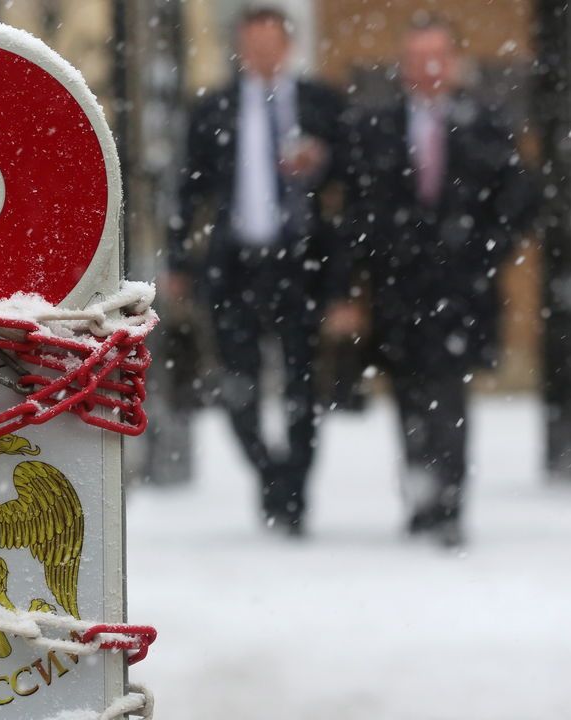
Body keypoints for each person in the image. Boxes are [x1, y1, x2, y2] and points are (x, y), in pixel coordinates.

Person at [345, 16, 535, 546]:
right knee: (407, 396)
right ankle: (420, 496)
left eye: (437, 58)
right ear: (404, 67)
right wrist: (356, 280)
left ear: (452, 63)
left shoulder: (488, 124)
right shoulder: (375, 127)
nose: (428, 70)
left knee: (449, 395)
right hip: (397, 291)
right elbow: (358, 212)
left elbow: (519, 199)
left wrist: (485, 252)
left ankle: (449, 503)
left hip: (461, 289)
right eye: (417, 59)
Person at [163, 7, 353, 536]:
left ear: (288, 46)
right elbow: (188, 188)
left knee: (302, 387)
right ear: (241, 48)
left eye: (272, 43)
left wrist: (321, 163)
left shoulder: (321, 104)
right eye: (253, 44)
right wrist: (180, 260)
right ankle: (273, 478)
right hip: (235, 266)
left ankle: (295, 493)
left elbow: (352, 185)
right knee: (237, 387)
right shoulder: (214, 109)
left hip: (302, 263)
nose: (263, 54)